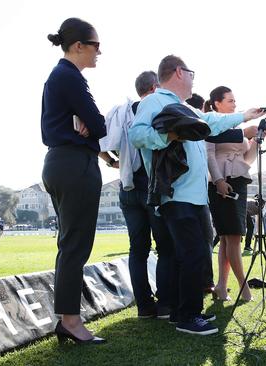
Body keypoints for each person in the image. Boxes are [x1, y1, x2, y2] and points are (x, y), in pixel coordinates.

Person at [129, 54, 266, 335]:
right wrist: (170, 137)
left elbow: (210, 122)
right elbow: (137, 135)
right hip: (176, 194)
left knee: (193, 254)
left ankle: (183, 311)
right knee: (194, 255)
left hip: (194, 196)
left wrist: (245, 115)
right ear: (179, 72)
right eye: (191, 73)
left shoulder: (182, 106)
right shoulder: (153, 101)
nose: (194, 78)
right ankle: (189, 317)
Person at [41, 17, 106, 344]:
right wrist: (88, 121)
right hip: (73, 163)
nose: (100, 52)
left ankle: (67, 318)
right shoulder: (69, 76)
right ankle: (70, 320)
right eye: (96, 46)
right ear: (78, 46)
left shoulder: (61, 77)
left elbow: (92, 123)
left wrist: (85, 120)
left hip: (61, 162)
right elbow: (100, 124)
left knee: (70, 246)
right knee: (74, 247)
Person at [98, 70, 174, 319]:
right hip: (151, 186)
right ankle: (165, 304)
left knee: (137, 249)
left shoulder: (121, 111)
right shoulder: (153, 109)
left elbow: (100, 142)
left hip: (126, 185)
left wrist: (112, 162)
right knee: (165, 247)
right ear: (154, 88)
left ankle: (144, 306)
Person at [204, 85, 256, 302]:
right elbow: (208, 154)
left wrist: (257, 140)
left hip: (239, 180)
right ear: (217, 103)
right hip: (222, 183)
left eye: (235, 101)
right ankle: (244, 287)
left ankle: (222, 287)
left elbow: (248, 159)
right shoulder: (210, 122)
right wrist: (218, 181)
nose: (235, 104)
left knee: (228, 237)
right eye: (230, 100)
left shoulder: (238, 127)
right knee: (233, 236)